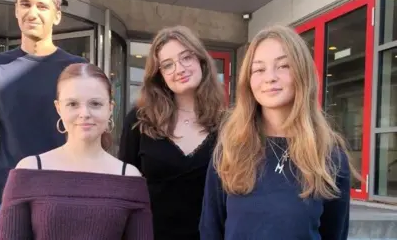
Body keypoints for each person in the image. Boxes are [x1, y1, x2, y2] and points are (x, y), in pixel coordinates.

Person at [199, 25, 357, 240]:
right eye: (259, 69)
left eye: (283, 66)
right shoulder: (229, 150)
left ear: (302, 73)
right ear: (248, 79)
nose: (270, 77)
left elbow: (334, 234)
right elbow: (210, 230)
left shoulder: (329, 156)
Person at [0, 0, 87, 239]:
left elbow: (89, 135)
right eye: (25, 4)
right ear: (15, 10)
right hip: (8, 198)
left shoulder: (77, 69)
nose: (32, 13)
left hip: (64, 195)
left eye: (42, 6)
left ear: (57, 16)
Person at [0, 63, 153, 239]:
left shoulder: (129, 178)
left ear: (110, 108)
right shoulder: (29, 171)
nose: (84, 113)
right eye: (72, 104)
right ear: (58, 108)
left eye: (95, 103)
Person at [118, 25, 226, 240]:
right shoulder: (139, 120)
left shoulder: (228, 123)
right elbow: (125, 191)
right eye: (168, 65)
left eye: (186, 57)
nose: (179, 69)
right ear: (159, 75)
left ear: (201, 61)